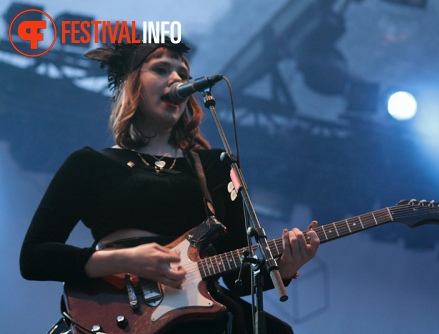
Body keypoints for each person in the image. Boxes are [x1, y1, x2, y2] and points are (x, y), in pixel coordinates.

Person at [19, 39, 320, 334]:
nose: (176, 78)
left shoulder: (215, 165)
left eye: (183, 74)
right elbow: (34, 258)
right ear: (132, 82)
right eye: (161, 69)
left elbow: (238, 279)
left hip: (201, 321)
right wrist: (124, 259)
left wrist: (284, 268)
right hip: (122, 315)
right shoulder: (90, 163)